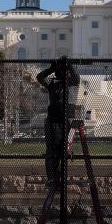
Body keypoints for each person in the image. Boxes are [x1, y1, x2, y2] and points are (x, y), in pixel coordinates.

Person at [36, 56, 79, 189]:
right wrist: (51, 69)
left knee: (63, 151)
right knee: (51, 151)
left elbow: (76, 78)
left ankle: (61, 179)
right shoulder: (53, 84)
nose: (61, 72)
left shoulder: (72, 84)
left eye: (62, 70)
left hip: (67, 120)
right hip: (52, 119)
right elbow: (40, 77)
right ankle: (51, 178)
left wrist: (69, 64)